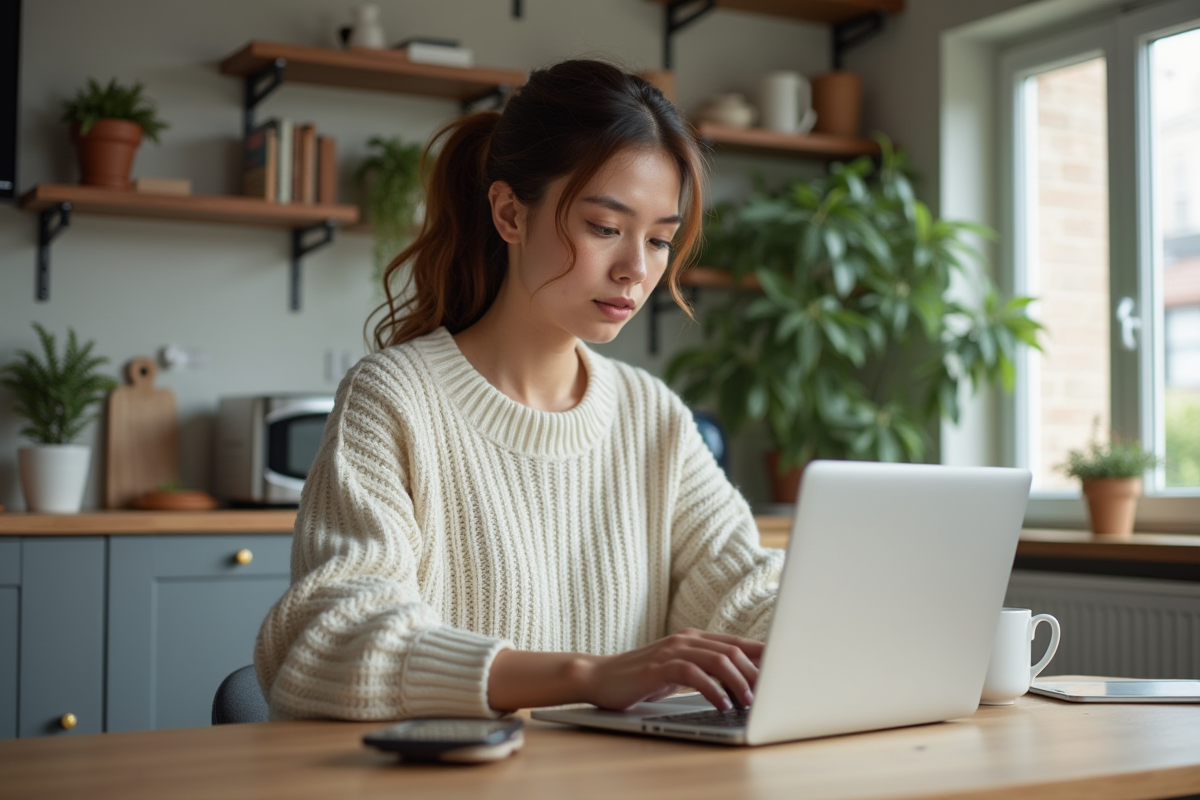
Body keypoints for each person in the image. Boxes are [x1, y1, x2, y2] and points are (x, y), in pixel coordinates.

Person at [255, 59, 783, 722]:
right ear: (509, 212)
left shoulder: (652, 417)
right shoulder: (394, 399)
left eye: (658, 240)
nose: (635, 270)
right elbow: (330, 638)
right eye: (604, 228)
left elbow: (745, 590)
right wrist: (587, 675)